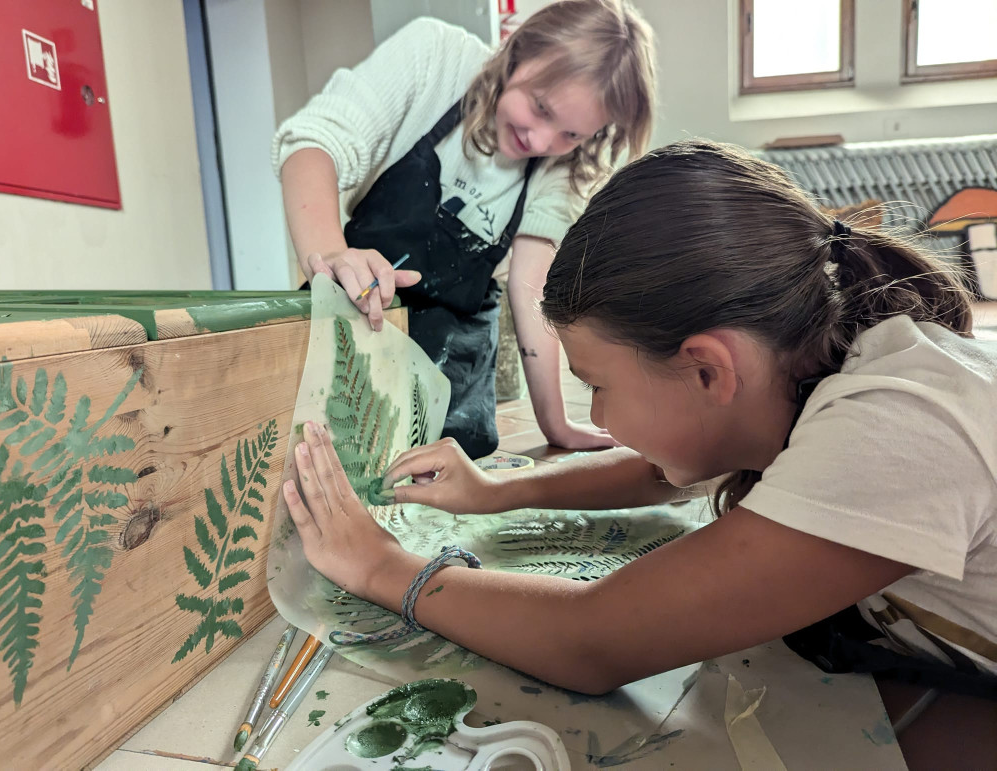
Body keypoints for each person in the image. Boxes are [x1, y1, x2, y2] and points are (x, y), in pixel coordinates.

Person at [281, 140, 997, 709]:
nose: (593, 414)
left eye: (596, 383)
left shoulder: (901, 430)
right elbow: (666, 466)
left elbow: (589, 639)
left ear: (709, 369)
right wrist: (500, 492)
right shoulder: (807, 367)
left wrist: (381, 564)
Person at [272, 0, 656, 460]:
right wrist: (331, 255)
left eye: (570, 134)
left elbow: (529, 286)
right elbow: (313, 143)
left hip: (455, 357)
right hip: (360, 311)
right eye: (539, 107)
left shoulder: (563, 166)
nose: (540, 141)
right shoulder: (436, 56)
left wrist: (555, 425)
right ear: (517, 52)